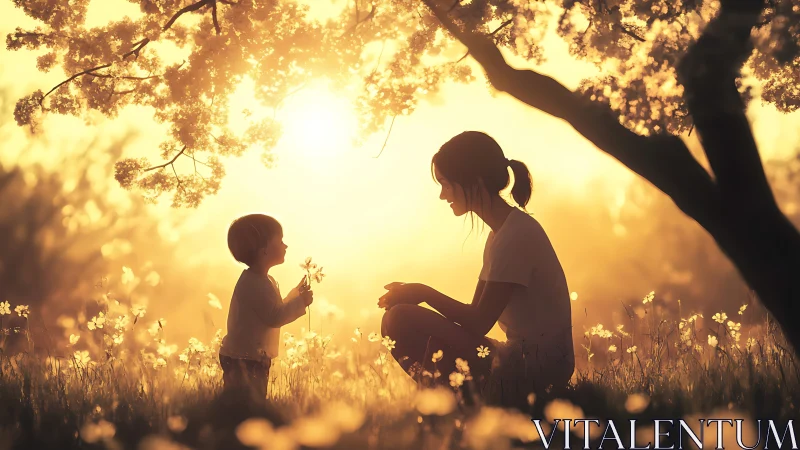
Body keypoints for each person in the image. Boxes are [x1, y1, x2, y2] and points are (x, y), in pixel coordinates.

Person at [379, 131, 574, 402]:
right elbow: (473, 316)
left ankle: (453, 404)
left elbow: (479, 322)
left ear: (475, 180)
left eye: (446, 184)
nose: (442, 195)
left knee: (400, 319)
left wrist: (423, 293)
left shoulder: (515, 236)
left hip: (537, 368)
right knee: (398, 319)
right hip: (523, 359)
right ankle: (453, 403)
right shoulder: (500, 234)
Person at [219, 213, 313, 399]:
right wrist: (300, 302)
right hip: (245, 358)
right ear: (264, 250)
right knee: (246, 401)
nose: (285, 246)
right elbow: (275, 317)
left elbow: (274, 309)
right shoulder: (255, 283)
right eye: (280, 241)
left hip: (247, 355)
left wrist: (296, 295)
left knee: (245, 399)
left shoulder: (261, 280)